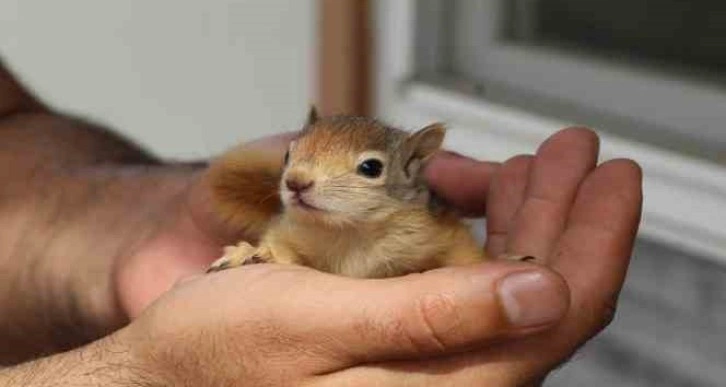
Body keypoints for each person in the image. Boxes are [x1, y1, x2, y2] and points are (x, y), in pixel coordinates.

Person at [0, 58, 642, 386]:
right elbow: (283, 244)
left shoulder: (413, 223)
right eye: (294, 164)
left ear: (411, 171)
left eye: (363, 170)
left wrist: (134, 231)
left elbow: (11, 133)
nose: (297, 181)